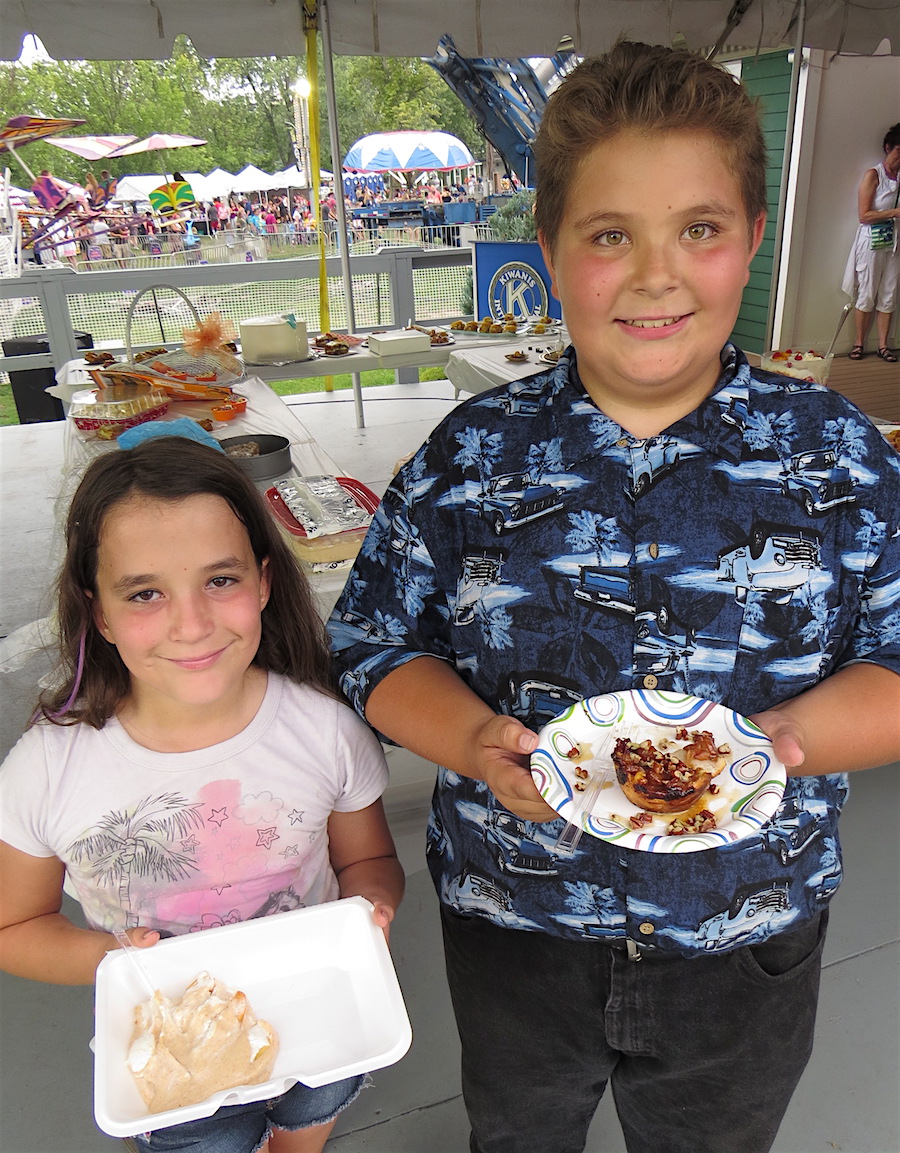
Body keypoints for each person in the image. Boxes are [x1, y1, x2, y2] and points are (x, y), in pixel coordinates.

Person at [327, 40, 900, 1153]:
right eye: (607, 235)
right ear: (546, 250)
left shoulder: (840, 459)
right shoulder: (472, 456)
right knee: (520, 1134)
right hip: (515, 922)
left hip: (748, 933)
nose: (654, 274)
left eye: (700, 228)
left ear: (752, 240)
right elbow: (368, 641)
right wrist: (470, 735)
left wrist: (784, 738)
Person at [0, 436, 405, 1153]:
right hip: (170, 1049)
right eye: (146, 593)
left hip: (316, 1019)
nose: (191, 624)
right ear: (98, 612)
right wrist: (111, 958)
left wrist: (368, 908)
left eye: (221, 580)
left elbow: (367, 860)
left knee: (307, 1120)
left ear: (266, 581)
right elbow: (14, 927)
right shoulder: (46, 769)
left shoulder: (326, 732)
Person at [842, 123, 900, 362]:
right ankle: (858, 344)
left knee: (889, 292)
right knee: (867, 292)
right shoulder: (873, 175)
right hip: (872, 242)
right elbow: (864, 215)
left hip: (894, 243)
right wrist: (895, 213)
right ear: (888, 148)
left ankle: (883, 345)